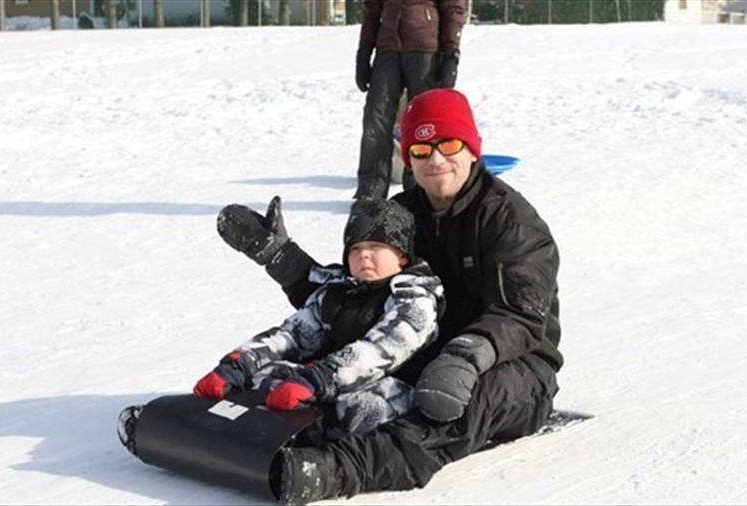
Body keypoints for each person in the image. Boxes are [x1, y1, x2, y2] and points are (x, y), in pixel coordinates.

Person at [220, 88, 562, 504]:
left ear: (473, 149)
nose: (436, 159)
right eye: (422, 148)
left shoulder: (511, 222)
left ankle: (338, 469)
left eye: (449, 144)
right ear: (407, 155)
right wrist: (284, 261)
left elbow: (522, 317)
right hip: (423, 349)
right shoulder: (402, 212)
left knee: (451, 403)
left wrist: (464, 356)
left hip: (513, 366)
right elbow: (355, 296)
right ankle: (250, 418)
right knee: (331, 353)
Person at [194, 197, 445, 438]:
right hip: (332, 381)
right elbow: (293, 334)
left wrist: (320, 378)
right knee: (267, 376)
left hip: (400, 386)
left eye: (376, 247)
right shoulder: (336, 291)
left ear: (402, 256)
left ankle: (307, 442)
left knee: (364, 406)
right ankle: (241, 422)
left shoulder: (415, 297)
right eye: (355, 249)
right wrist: (239, 366)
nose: (363, 255)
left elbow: (382, 349)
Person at [353, 0, 467, 200]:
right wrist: (363, 54)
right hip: (387, 49)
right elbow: (372, 10)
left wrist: (451, 52)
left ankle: (420, 190)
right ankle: (370, 193)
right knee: (375, 118)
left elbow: (453, 8)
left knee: (423, 122)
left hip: (425, 50)